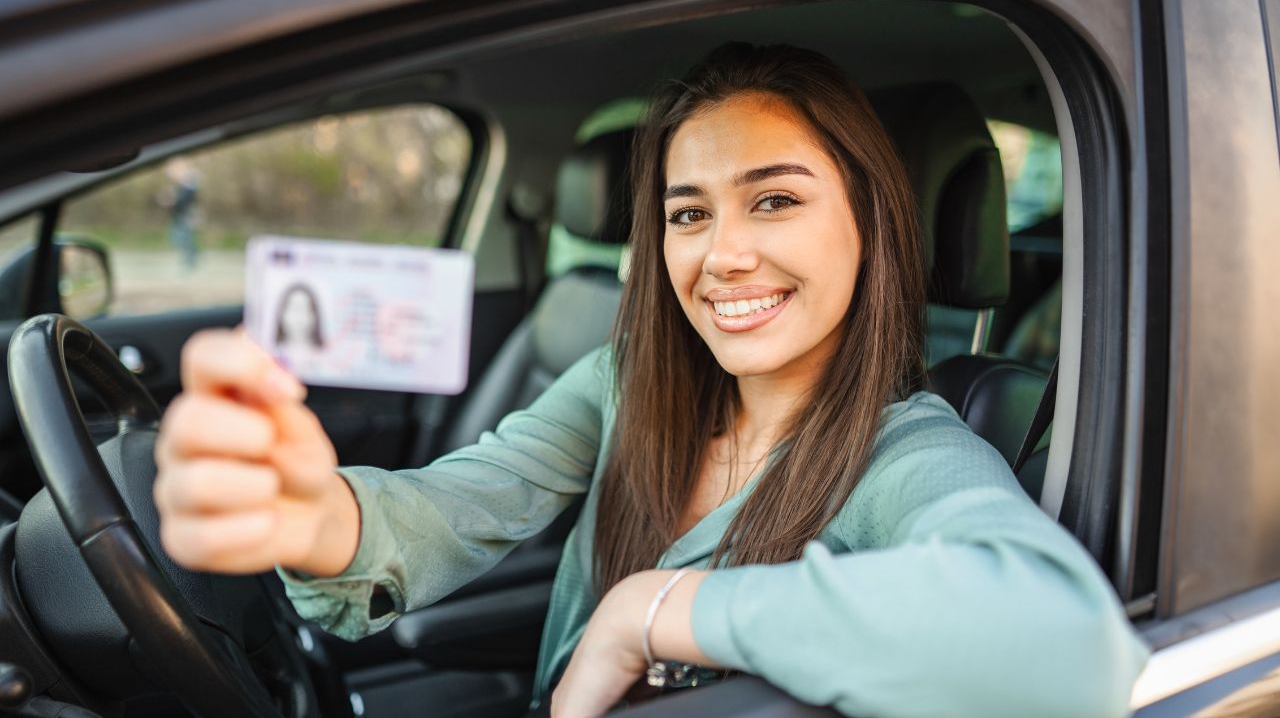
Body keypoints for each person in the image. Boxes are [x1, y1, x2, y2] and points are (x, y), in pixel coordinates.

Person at [152, 43, 1149, 718]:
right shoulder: (627, 379)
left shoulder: (909, 453)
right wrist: (310, 517)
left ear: (870, 220)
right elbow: (460, 502)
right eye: (686, 214)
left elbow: (1065, 644)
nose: (721, 256)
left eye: (772, 201)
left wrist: (646, 611)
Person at [273, 282, 326, 372]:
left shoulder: (326, 360)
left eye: (307, 310)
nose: (300, 319)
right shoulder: (269, 355)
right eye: (294, 309)